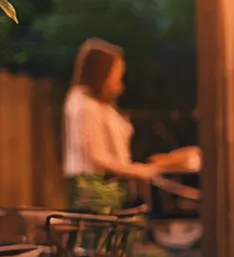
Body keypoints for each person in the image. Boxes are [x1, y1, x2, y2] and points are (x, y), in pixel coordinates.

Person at [61, 38, 199, 211]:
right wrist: (135, 170)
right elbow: (96, 156)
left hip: (112, 187)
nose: (119, 82)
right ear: (101, 73)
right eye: (116, 74)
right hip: (95, 188)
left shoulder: (102, 106)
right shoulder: (83, 104)